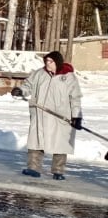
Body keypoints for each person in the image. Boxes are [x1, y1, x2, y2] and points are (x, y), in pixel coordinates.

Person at [11, 50, 82, 180]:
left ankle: (58, 171)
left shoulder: (69, 77)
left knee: (60, 144)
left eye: (51, 61)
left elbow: (75, 98)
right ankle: (33, 168)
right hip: (40, 115)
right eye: (46, 61)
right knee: (36, 142)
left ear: (57, 62)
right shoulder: (39, 74)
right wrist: (20, 91)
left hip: (60, 116)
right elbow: (28, 86)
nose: (47, 64)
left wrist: (77, 116)